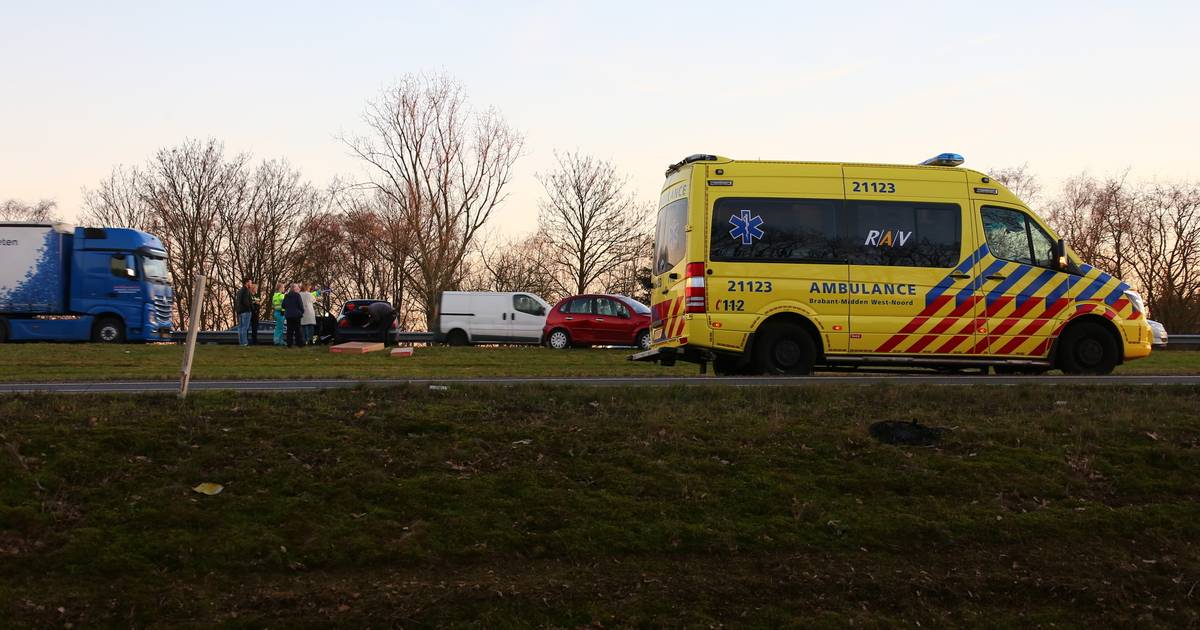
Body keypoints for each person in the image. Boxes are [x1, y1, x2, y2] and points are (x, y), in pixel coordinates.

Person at [282, 283, 305, 348]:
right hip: (296, 315)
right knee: (298, 330)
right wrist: (301, 312)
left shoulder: (286, 295)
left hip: (288, 315)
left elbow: (283, 305)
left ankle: (289, 344)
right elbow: (300, 305)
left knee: (289, 330)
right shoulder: (297, 295)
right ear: (294, 288)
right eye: (297, 287)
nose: (298, 289)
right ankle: (299, 343)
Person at [234, 279, 256, 347]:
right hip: (246, 311)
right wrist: (252, 308)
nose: (251, 284)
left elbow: (238, 301)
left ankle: (241, 342)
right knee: (244, 328)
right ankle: (244, 343)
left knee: (240, 327)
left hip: (239, 311)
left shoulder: (239, 291)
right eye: (250, 282)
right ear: (246, 283)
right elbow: (246, 302)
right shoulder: (246, 290)